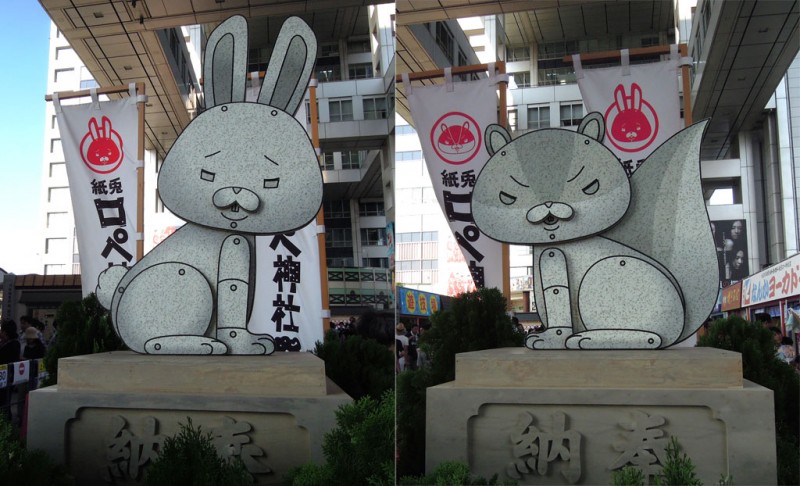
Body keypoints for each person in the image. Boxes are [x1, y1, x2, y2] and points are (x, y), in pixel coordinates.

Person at [0, 320, 21, 423]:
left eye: (2, 331)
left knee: (4, 401)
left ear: (6, 332)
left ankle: (5, 422)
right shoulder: (15, 343)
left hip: (5, 376)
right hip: (9, 376)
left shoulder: (10, 345)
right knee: (6, 400)